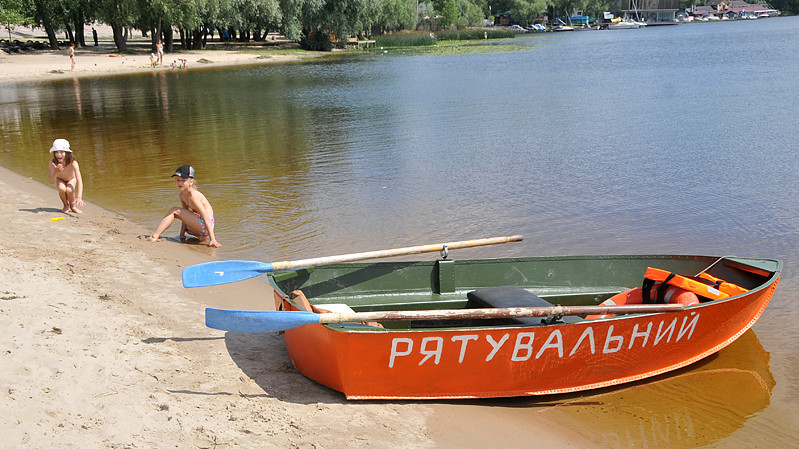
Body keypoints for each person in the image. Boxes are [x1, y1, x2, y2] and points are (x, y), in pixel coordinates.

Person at [146, 165, 220, 247]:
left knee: (174, 210)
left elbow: (206, 217)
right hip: (202, 226)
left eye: (183, 180)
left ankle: (155, 236)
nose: (180, 183)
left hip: (206, 223)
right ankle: (201, 237)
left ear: (191, 182)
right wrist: (182, 234)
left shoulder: (193, 196)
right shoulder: (182, 196)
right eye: (177, 180)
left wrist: (213, 239)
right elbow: (184, 216)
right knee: (186, 227)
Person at [47, 138, 84, 214]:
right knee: (62, 188)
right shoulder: (52, 163)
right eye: (56, 152)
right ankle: (66, 205)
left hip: (71, 179)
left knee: (69, 190)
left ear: (67, 153)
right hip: (60, 179)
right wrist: (56, 171)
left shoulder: (73, 163)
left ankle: (73, 206)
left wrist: (79, 197)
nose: (58, 154)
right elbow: (51, 181)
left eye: (61, 152)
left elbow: (79, 180)